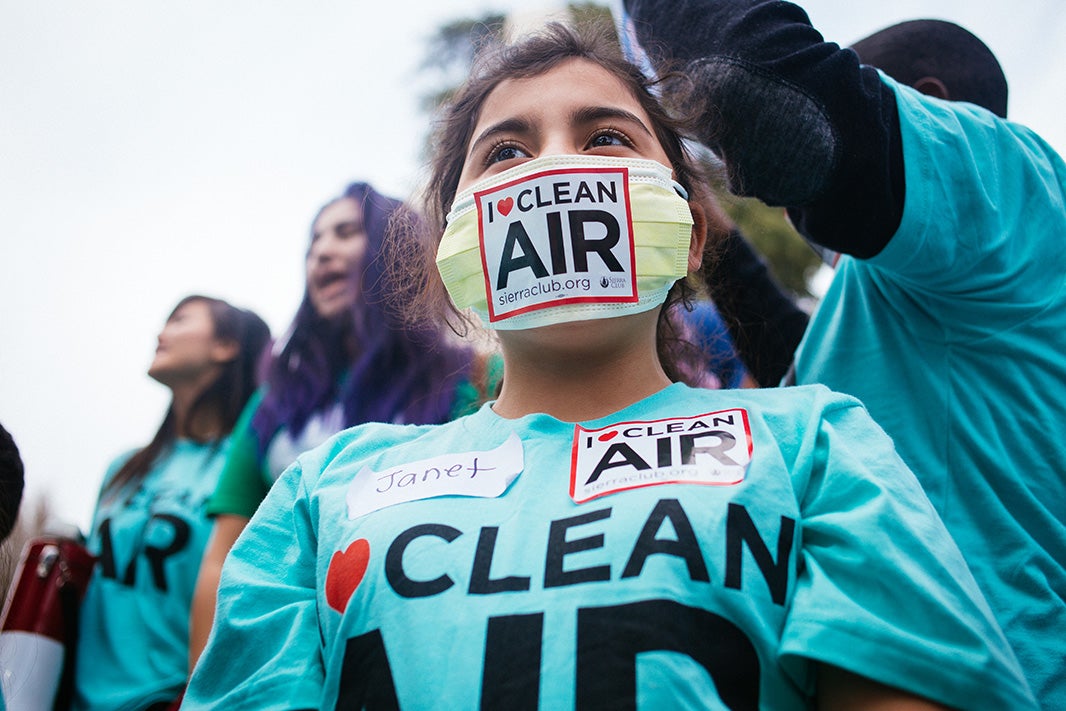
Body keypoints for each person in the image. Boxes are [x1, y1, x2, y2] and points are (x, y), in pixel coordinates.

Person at [183, 23, 1035, 710]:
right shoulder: (318, 491)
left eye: (607, 137)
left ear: (690, 226)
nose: (557, 166)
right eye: (506, 153)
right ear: (454, 243)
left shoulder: (820, 448)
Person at [622, 2, 1066, 704]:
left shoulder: (1010, 180)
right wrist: (716, 233)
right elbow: (817, 382)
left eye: (859, 87)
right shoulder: (918, 304)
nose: (753, 182)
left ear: (926, 107)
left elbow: (772, 101)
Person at [188, 182, 498, 666]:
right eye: (314, 241)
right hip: (283, 675)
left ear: (398, 251)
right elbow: (221, 562)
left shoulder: (480, 380)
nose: (322, 251)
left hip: (436, 658)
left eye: (345, 232)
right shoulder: (273, 410)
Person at [73, 295, 270, 711]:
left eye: (180, 320)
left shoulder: (248, 471)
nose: (161, 333)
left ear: (226, 346)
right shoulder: (122, 469)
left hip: (175, 700)